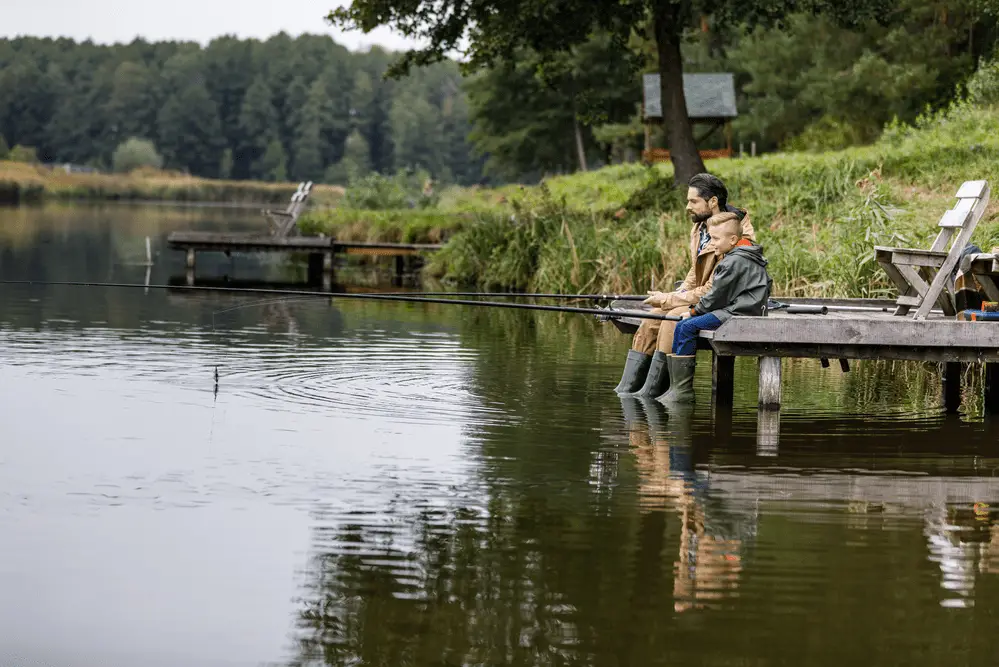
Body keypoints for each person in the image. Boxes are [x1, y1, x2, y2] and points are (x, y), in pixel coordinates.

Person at [614, 173, 755, 397]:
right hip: (701, 296)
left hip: (723, 302)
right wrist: (674, 294)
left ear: (713, 202)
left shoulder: (735, 233)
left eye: (693, 201)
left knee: (671, 320)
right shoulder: (700, 227)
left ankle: (660, 391)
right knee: (652, 317)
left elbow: (715, 288)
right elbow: (695, 270)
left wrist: (671, 300)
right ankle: (630, 389)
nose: (688, 206)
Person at [658, 212, 772, 404]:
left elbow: (715, 297)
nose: (712, 243)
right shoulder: (742, 254)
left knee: (687, 326)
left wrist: (693, 311)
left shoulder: (732, 261)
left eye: (716, 238)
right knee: (682, 326)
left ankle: (682, 391)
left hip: (740, 313)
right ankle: (675, 388)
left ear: (733, 239)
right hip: (741, 308)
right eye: (711, 237)